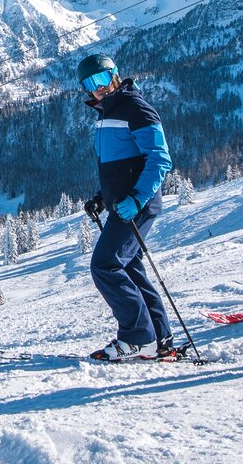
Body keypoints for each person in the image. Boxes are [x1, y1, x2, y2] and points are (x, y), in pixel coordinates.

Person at [76, 53, 177, 360]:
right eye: (91, 84)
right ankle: (159, 337)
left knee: (105, 264)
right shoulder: (106, 113)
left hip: (137, 204)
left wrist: (136, 198)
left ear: (116, 76)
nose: (99, 88)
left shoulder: (135, 107)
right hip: (121, 204)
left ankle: (137, 337)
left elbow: (160, 158)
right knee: (129, 268)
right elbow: (118, 166)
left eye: (103, 79)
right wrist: (100, 196)